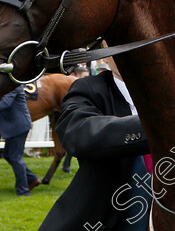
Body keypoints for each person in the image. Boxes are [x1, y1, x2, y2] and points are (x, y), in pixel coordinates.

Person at [39, 59, 150, 231]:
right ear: (104, 55)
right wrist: (154, 128)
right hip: (107, 217)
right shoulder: (87, 89)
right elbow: (76, 132)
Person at [0, 85, 40, 196]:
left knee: (15, 157)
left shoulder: (13, 86)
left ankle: (23, 191)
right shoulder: (9, 86)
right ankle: (32, 179)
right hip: (16, 126)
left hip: (18, 127)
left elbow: (5, 103)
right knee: (8, 155)